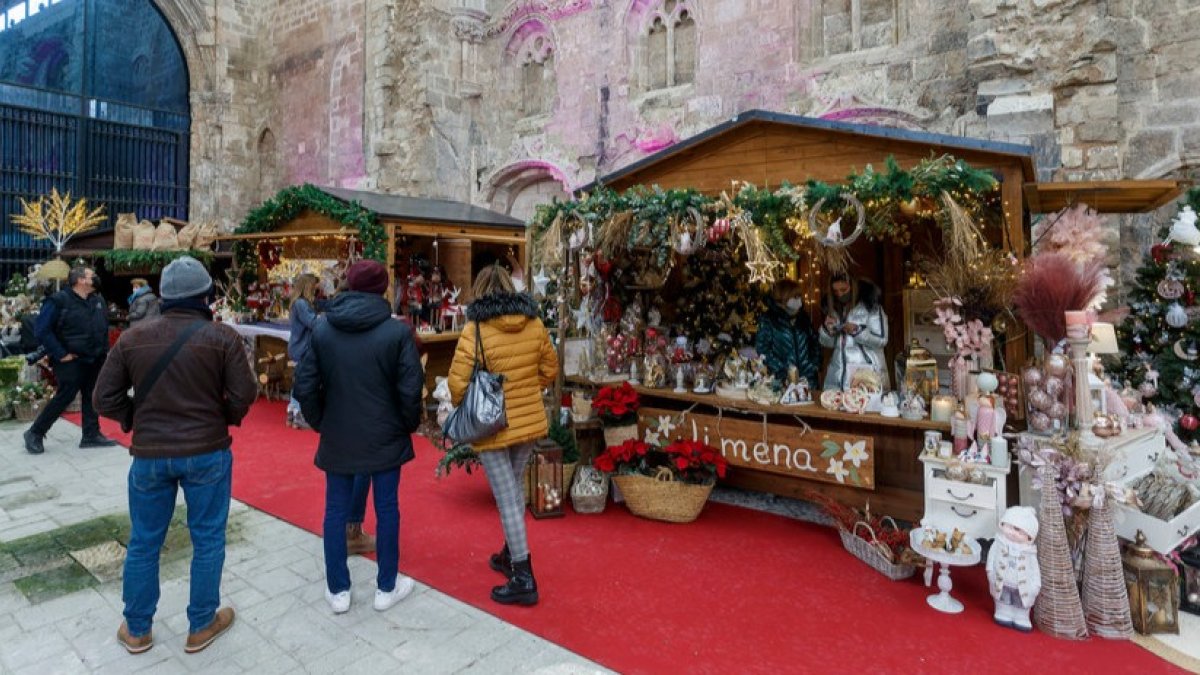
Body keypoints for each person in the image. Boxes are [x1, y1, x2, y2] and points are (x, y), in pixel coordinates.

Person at [93, 256, 257, 655]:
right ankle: (201, 623)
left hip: (150, 454)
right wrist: (224, 417)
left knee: (145, 542)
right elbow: (244, 393)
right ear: (205, 295)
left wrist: (135, 418)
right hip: (206, 451)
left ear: (163, 294)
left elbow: (103, 399)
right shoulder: (222, 338)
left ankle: (137, 628)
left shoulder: (133, 338)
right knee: (207, 538)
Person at [293, 260, 424, 614]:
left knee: (335, 509)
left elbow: (304, 385)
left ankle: (338, 589)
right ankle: (386, 585)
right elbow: (411, 389)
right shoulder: (396, 332)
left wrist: (323, 420)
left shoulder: (323, 330)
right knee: (386, 508)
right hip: (384, 432)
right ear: (382, 289)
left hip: (341, 431)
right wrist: (405, 424)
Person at [447, 264, 559, 606]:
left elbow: (456, 384)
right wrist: (526, 392)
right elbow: (550, 369)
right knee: (512, 487)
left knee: (507, 497)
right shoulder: (535, 323)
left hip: (493, 427)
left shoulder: (476, 329)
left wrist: (476, 407)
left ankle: (524, 576)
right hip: (527, 423)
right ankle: (511, 554)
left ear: (480, 291)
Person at [23, 265, 117, 454]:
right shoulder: (59, 301)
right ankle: (35, 433)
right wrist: (60, 353)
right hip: (69, 360)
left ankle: (91, 435)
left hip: (94, 358)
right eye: (92, 275)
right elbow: (42, 330)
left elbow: (102, 327)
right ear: (81, 280)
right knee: (65, 396)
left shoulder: (97, 300)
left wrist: (104, 352)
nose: (96, 278)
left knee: (92, 395)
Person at [819, 273, 889, 391]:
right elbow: (829, 344)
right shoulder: (834, 309)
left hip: (866, 374)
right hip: (837, 374)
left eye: (843, 289)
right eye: (835, 291)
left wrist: (857, 331)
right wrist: (827, 330)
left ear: (853, 286)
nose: (839, 294)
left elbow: (882, 340)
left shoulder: (871, 307)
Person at [754, 279, 820, 385]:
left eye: (799, 296)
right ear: (783, 297)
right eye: (794, 297)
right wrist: (783, 370)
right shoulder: (768, 320)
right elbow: (763, 349)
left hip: (808, 380)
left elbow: (814, 342)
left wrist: (814, 365)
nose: (798, 301)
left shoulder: (803, 318)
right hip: (783, 382)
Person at [286, 273, 319, 429]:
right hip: (302, 348)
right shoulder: (301, 304)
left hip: (298, 346)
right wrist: (325, 318)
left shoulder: (298, 303)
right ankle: (298, 413)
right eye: (314, 286)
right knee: (302, 382)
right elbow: (312, 322)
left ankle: (292, 413)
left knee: (298, 380)